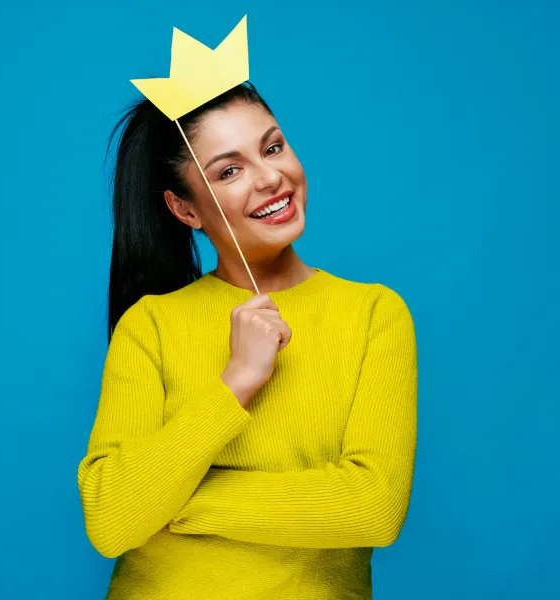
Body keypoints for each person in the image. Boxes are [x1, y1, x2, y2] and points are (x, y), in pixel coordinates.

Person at [76, 82, 418, 599]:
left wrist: (176, 501)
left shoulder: (373, 315)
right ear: (184, 209)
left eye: (273, 146)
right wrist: (237, 380)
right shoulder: (151, 325)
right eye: (229, 171)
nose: (271, 177)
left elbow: (372, 507)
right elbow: (109, 520)